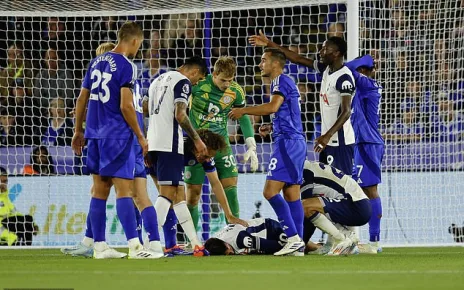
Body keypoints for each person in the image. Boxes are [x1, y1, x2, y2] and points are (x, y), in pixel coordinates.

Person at [62, 42, 163, 259]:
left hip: (119, 137)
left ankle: (116, 244)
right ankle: (153, 242)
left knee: (109, 191)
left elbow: (114, 105)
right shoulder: (131, 79)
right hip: (134, 137)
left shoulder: (112, 71)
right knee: (140, 196)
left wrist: (83, 120)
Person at [229, 48, 306, 256]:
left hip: (288, 144)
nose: (260, 64)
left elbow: (273, 107)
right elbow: (285, 112)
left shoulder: (281, 81)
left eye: (264, 60)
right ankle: (298, 243)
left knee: (270, 192)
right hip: (293, 141)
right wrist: (272, 127)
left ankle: (293, 239)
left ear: (275, 64)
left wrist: (243, 110)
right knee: (291, 194)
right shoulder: (281, 83)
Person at [249, 32, 356, 175]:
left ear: (336, 53)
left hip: (340, 142)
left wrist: (327, 136)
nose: (320, 52)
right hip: (326, 141)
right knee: (329, 188)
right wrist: (269, 43)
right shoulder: (325, 70)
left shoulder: (344, 78)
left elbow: (346, 111)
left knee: (343, 188)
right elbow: (297, 58)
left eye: (325, 49)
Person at [148, 129, 249, 256]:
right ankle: (151, 243)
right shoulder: (181, 143)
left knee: (174, 199)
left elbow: (216, 183)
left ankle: (170, 245)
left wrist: (229, 214)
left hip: (167, 161)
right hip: (156, 159)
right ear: (200, 145)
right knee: (172, 197)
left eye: (210, 157)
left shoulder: (204, 156)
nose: (206, 159)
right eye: (206, 156)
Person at [185, 56, 258, 230]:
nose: (227, 84)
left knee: (231, 189)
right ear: (214, 74)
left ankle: (235, 237)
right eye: (223, 80)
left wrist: (251, 144)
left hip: (221, 146)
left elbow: (243, 115)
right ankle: (190, 241)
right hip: (197, 147)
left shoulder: (236, 91)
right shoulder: (197, 86)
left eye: (230, 80)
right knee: (192, 196)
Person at [146, 56, 209, 256]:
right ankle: (150, 243)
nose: (196, 83)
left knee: (178, 196)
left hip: (153, 142)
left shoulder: (156, 80)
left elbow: (144, 108)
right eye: (198, 79)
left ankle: (195, 243)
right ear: (193, 72)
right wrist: (197, 140)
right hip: (169, 144)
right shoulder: (182, 82)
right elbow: (180, 115)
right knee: (166, 194)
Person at [345, 55, 385, 254]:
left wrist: (366, 59)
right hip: (363, 143)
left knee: (370, 191)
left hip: (369, 143)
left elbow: (345, 68)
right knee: (356, 189)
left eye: (360, 71)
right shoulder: (364, 87)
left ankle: (374, 242)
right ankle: (350, 236)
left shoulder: (367, 83)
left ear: (364, 71)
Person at [300, 161, 371, 255]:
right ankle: (341, 241)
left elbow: (306, 209)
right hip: (359, 204)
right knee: (311, 206)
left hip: (355, 205)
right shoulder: (306, 166)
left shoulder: (304, 171)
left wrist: (301, 241)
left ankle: (343, 238)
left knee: (305, 206)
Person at [204, 218, 287, 255]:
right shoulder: (216, 241)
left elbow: (265, 244)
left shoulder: (240, 239)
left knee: (284, 245)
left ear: (227, 245)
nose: (231, 254)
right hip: (266, 226)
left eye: (229, 253)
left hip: (272, 230)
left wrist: (283, 247)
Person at [0, 167, 39, 246]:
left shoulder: (5, 197)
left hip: (7, 224)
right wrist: (11, 237)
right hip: (3, 230)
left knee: (28, 219)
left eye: (6, 181)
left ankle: (26, 251)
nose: (5, 184)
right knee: (14, 234)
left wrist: (32, 224)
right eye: (2, 181)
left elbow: (15, 213)